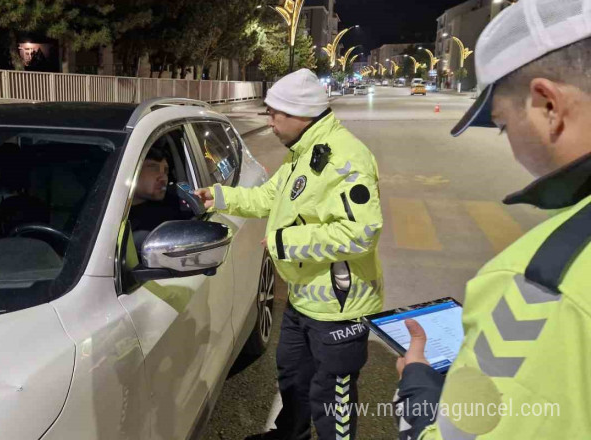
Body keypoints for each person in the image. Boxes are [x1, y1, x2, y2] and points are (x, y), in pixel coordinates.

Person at [394, 0, 591, 438]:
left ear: (547, 104)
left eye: (502, 124)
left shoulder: (543, 281)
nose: (512, 146)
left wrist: (418, 384)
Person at [196, 68, 385, 440]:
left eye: (273, 114)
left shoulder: (346, 159)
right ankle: (290, 435)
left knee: (333, 400)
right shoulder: (302, 153)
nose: (269, 123)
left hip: (340, 309)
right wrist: (218, 196)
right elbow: (268, 197)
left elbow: (362, 231)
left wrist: (286, 243)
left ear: (298, 114)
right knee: (293, 377)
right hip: (304, 297)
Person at [129, 147, 192, 246]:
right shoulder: (109, 213)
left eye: (166, 171)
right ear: (132, 172)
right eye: (154, 168)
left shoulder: (176, 207)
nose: (163, 178)